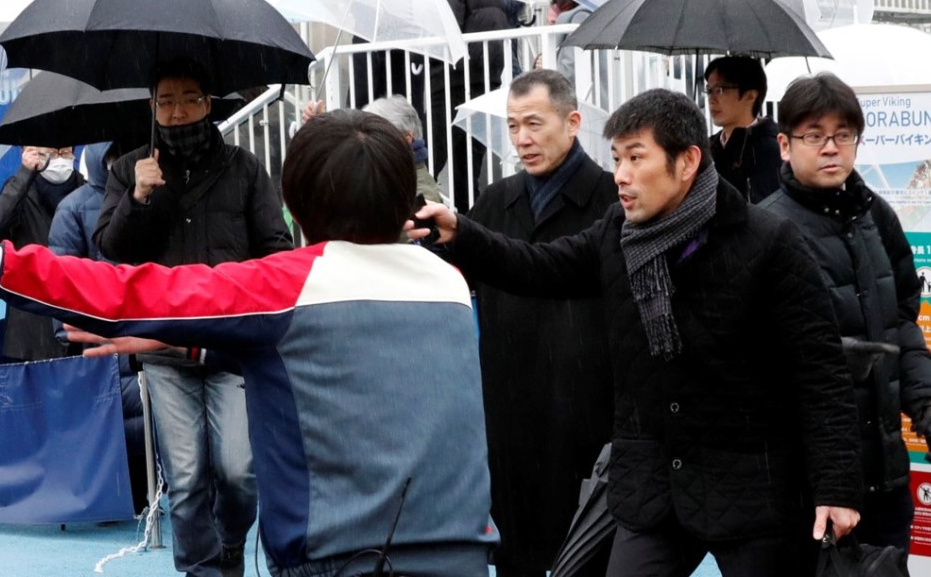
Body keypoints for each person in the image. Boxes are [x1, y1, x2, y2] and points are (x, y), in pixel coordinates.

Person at [0, 108, 499, 577]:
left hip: (344, 558)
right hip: (466, 552)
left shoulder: (288, 285)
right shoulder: (448, 282)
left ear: (293, 204)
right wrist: (179, 349)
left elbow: (124, 292)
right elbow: (332, 360)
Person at [412, 88, 864, 576]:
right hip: (651, 487)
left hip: (750, 489)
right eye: (616, 158)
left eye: (635, 157)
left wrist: (836, 488)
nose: (621, 176)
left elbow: (820, 375)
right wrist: (461, 232)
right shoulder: (618, 233)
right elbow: (541, 266)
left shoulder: (768, 242)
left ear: (688, 161)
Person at [93, 57, 291, 577]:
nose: (178, 111)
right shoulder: (130, 169)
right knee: (184, 477)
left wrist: (245, 292)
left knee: (239, 472)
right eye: (166, 101)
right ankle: (201, 570)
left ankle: (229, 545)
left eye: (189, 98)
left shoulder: (245, 168)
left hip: (232, 346)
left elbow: (276, 247)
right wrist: (138, 197)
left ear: (209, 103)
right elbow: (111, 254)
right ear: (152, 107)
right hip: (161, 347)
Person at [759, 72, 931, 553]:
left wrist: (924, 402)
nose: (830, 147)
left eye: (843, 135)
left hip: (887, 476)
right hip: (809, 489)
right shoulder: (766, 230)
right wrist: (839, 358)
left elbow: (900, 323)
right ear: (785, 145)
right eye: (814, 135)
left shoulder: (877, 216)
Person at [456, 69, 616, 576]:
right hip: (509, 417)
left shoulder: (613, 202)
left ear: (572, 122)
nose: (522, 139)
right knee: (515, 557)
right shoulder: (492, 203)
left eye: (534, 123)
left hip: (589, 416)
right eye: (512, 126)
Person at [47, 140, 147, 515]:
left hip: (147, 334)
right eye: (115, 156)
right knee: (109, 427)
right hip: (98, 338)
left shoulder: (155, 198)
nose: (123, 163)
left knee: (148, 420)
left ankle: (145, 498)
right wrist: (75, 330)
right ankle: (118, 499)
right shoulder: (72, 208)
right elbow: (61, 282)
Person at [0, 144, 85, 360]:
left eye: (65, 152)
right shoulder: (20, 188)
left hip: (75, 307)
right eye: (51, 153)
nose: (60, 159)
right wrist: (25, 173)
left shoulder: (84, 188)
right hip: (29, 315)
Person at [427, 0, 514, 212]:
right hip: (487, 78)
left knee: (430, 159)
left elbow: (447, 26)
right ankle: (467, 225)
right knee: (468, 168)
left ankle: (419, 217)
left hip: (452, 78)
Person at [704, 56, 781, 203]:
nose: (711, 99)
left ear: (750, 95)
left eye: (720, 90)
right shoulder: (706, 148)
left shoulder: (771, 149)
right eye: (709, 91)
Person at [362, 94, 443, 203]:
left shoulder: (421, 195)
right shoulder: (394, 177)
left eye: (377, 136)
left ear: (407, 138)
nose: (368, 143)